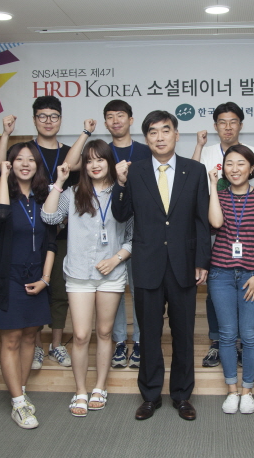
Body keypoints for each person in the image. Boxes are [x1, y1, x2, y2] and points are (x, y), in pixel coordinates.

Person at [112, 110, 210, 421]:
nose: (159, 137)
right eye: (152, 132)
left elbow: (201, 220)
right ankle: (150, 395)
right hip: (147, 265)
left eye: (165, 130)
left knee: (183, 334)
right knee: (149, 334)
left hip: (184, 265)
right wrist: (120, 183)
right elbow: (121, 214)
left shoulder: (195, 171)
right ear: (146, 139)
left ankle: (182, 395)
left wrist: (201, 261)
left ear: (176, 135)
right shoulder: (136, 171)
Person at [42, 139, 133, 417]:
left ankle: (100, 387)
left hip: (111, 274)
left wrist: (116, 259)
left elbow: (134, 236)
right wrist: (59, 182)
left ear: (110, 162)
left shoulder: (122, 192)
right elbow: (49, 217)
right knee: (81, 335)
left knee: (105, 333)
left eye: (100, 159)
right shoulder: (72, 193)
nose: (94, 165)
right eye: (89, 160)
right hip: (79, 274)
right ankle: (80, 390)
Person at [0, 96, 81, 371]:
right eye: (42, 116)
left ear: (60, 119)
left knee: (58, 291)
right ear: (34, 120)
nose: (48, 121)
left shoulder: (69, 153)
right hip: (26, 232)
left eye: (54, 116)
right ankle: (37, 346)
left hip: (58, 233)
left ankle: (56, 344)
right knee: (33, 291)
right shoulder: (25, 150)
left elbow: (75, 181)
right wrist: (5, 134)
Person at [192, 101, 254, 368]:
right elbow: (191, 182)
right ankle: (218, 342)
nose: (228, 127)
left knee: (245, 294)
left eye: (233, 121)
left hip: (245, 230)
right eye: (222, 122)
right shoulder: (207, 152)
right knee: (216, 292)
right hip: (212, 228)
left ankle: (240, 343)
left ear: (241, 125)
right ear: (215, 126)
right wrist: (199, 146)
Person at [0, 142, 57, 429]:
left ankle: (22, 392)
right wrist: (4, 176)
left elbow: (51, 241)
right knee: (11, 339)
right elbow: (1, 215)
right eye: (18, 159)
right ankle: (18, 404)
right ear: (10, 164)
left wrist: (45, 279)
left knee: (30, 337)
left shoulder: (44, 198)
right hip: (9, 277)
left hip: (37, 276)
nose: (25, 164)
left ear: (38, 166)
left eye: (31, 159)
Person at [207, 145, 254, 414]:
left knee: (249, 335)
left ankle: (247, 391)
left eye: (241, 164)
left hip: (252, 275)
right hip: (221, 274)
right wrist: (214, 187)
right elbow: (215, 223)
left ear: (252, 168)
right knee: (226, 335)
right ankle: (232, 391)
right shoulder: (219, 196)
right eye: (229, 164)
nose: (234, 169)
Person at [101, 100, 152, 370]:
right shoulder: (101, 152)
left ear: (131, 120)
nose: (116, 121)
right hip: (108, 226)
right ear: (105, 123)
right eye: (110, 117)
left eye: (120, 115)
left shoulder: (145, 151)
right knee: (114, 288)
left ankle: (141, 341)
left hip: (140, 228)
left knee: (140, 287)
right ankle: (119, 341)